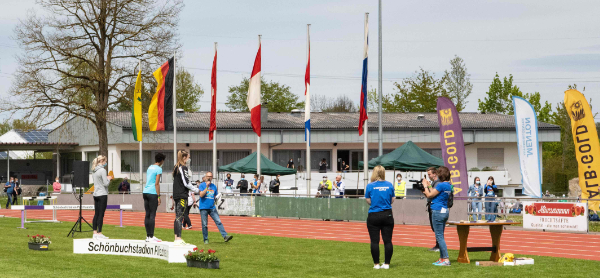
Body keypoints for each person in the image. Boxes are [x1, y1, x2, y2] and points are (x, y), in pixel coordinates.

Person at [365, 165, 395, 270]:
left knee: (374, 241)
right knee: (388, 240)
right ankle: (387, 264)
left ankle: (376, 264)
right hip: (387, 214)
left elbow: (368, 200)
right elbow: (392, 199)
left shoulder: (370, 186)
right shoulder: (389, 185)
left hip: (374, 214)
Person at [422, 166, 453, 266]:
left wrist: (425, 186)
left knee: (439, 236)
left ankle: (446, 259)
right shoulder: (448, 185)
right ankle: (441, 258)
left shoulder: (441, 185)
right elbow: (434, 192)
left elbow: (430, 195)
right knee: (440, 236)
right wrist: (429, 187)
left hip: (437, 210)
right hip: (444, 211)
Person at [172, 150, 200, 245]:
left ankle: (176, 238)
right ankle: (178, 239)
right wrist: (196, 190)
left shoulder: (176, 167)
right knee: (180, 216)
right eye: (188, 157)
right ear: (184, 157)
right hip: (181, 195)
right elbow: (186, 183)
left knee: (177, 217)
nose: (189, 159)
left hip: (176, 194)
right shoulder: (183, 168)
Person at [198, 171, 233, 244]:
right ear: (205, 177)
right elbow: (201, 195)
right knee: (204, 224)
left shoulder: (214, 186)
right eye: (208, 176)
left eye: (210, 176)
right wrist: (207, 187)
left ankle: (225, 236)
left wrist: (218, 197)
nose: (209, 178)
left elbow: (215, 197)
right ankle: (206, 239)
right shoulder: (202, 185)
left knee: (218, 221)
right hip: (204, 207)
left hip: (212, 207)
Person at [143, 153, 165, 242]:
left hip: (145, 191)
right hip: (152, 192)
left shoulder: (149, 167)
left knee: (147, 214)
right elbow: (157, 183)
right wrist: (158, 196)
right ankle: (151, 236)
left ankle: (148, 236)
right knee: (152, 215)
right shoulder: (159, 169)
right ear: (162, 160)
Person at [92, 155, 113, 240]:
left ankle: (95, 233)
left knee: (96, 214)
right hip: (102, 194)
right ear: (102, 161)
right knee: (101, 214)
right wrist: (109, 179)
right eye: (105, 161)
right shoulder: (103, 170)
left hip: (96, 194)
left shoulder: (94, 170)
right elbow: (105, 183)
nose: (105, 163)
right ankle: (100, 233)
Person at [425, 167, 441, 252]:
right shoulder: (434, 183)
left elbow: (432, 195)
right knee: (434, 227)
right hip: (433, 206)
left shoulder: (437, 183)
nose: (428, 176)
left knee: (436, 227)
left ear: (434, 174)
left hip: (436, 207)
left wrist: (426, 187)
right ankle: (437, 245)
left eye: (429, 174)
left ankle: (439, 246)